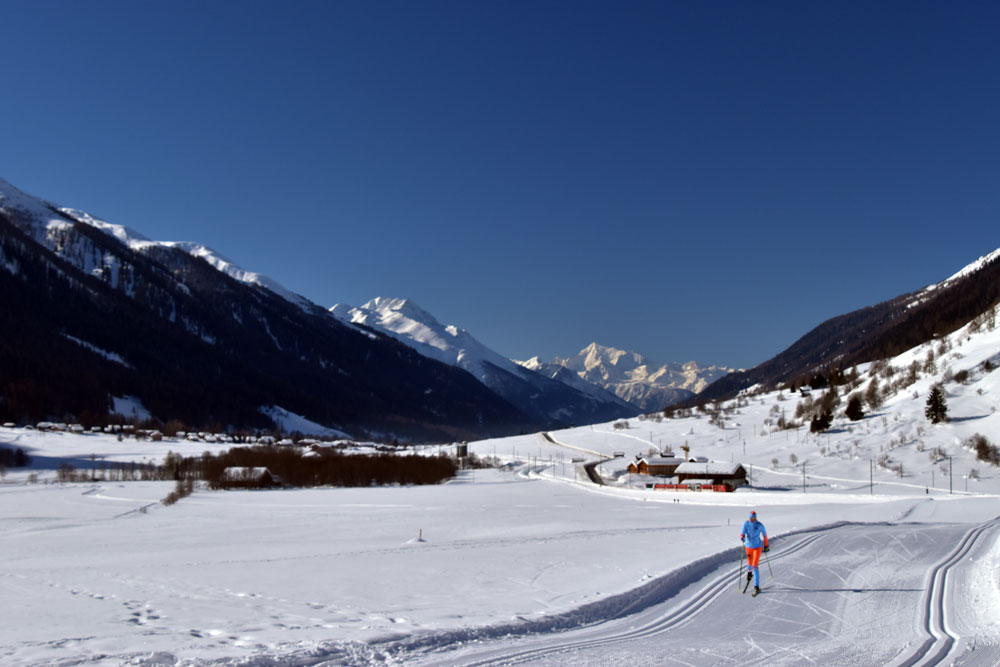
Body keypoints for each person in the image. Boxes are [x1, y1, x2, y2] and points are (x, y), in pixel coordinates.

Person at [740, 510, 769, 594]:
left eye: (754, 518)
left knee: (755, 565)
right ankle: (749, 573)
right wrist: (742, 537)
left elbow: (765, 535)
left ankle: (756, 586)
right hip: (748, 547)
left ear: (756, 517)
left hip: (757, 547)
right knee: (749, 564)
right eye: (751, 518)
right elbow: (742, 533)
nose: (752, 519)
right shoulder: (746, 524)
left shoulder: (759, 525)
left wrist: (766, 545)